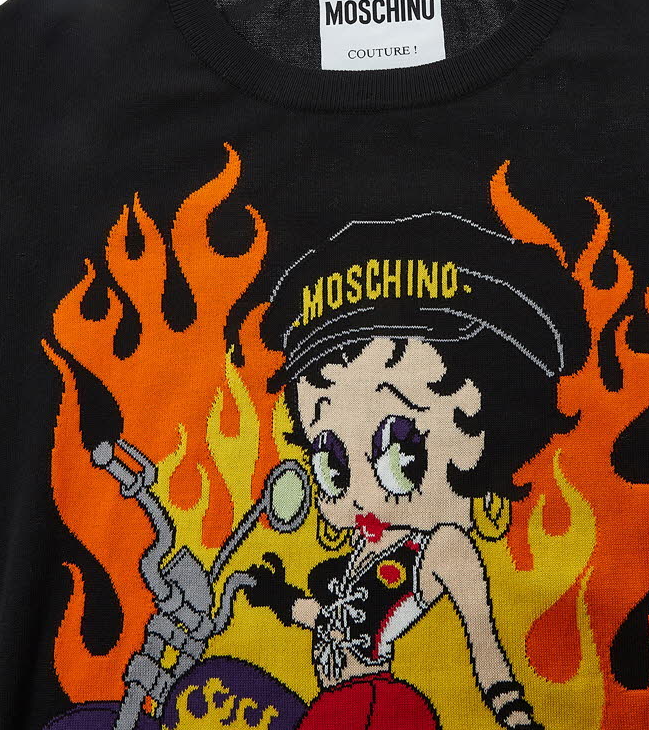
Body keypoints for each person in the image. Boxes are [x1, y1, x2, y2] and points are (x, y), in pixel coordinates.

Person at [239, 212, 590, 730]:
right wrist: (278, 598)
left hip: (378, 712)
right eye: (331, 461)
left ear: (470, 433)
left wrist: (517, 718)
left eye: (396, 451)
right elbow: (335, 621)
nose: (357, 493)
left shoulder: (442, 547)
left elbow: (486, 648)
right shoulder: (364, 548)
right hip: (331, 711)